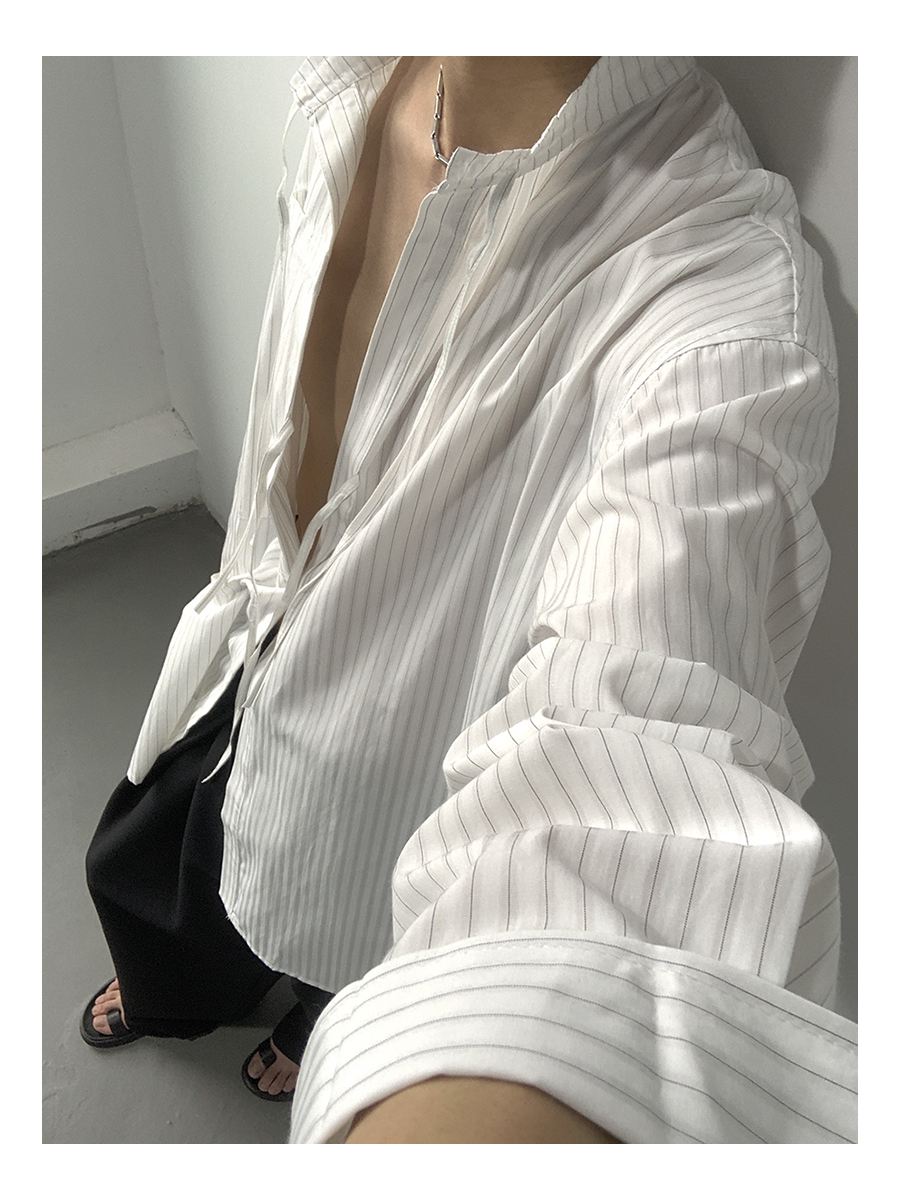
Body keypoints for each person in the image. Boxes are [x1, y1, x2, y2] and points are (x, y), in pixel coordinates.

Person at [83, 57, 857, 1143]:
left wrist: (486, 1083)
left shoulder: (716, 298)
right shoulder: (350, 79)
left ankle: (314, 1022)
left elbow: (635, 757)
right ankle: (181, 991)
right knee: (148, 871)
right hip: (243, 645)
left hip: (385, 784)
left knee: (349, 947)